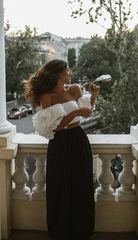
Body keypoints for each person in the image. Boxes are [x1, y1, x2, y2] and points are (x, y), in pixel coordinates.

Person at [23, 59, 100, 240]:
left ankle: (82, 229)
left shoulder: (74, 89)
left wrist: (94, 97)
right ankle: (60, 231)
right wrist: (74, 113)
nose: (70, 73)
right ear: (57, 74)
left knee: (81, 184)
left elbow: (86, 110)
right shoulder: (46, 97)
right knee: (60, 185)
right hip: (59, 144)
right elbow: (53, 128)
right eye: (67, 70)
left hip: (78, 140)